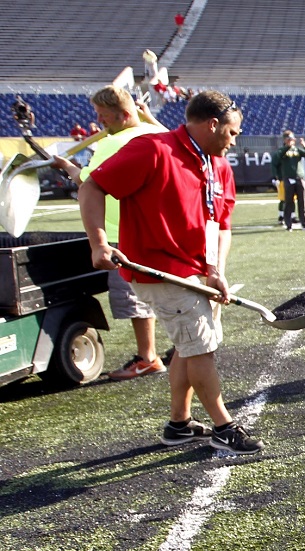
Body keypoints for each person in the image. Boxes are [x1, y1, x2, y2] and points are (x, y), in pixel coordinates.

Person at [78, 90, 263, 454]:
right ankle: (224, 426)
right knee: (201, 351)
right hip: (160, 272)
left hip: (199, 272)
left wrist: (216, 271)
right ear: (213, 124)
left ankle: (178, 424)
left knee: (188, 348)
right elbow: (92, 186)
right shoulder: (154, 149)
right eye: (233, 132)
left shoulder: (218, 164)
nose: (235, 140)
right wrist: (98, 243)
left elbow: (220, 225)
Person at [52, 86, 169, 381]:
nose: (100, 123)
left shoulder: (112, 145)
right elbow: (173, 137)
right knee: (162, 295)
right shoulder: (153, 135)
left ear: (124, 115)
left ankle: (148, 357)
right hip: (155, 230)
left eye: (104, 117)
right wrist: (148, 118)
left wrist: (66, 166)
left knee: (134, 299)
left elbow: (86, 181)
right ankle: (171, 350)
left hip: (122, 235)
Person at [271, 131, 305, 231]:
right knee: (288, 202)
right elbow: (276, 160)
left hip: (299, 178)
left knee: (302, 202)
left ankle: (304, 223)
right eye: (289, 139)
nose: (291, 141)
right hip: (288, 179)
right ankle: (288, 224)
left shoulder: (297, 149)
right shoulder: (281, 150)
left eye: (292, 139)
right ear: (285, 140)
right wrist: (287, 146)